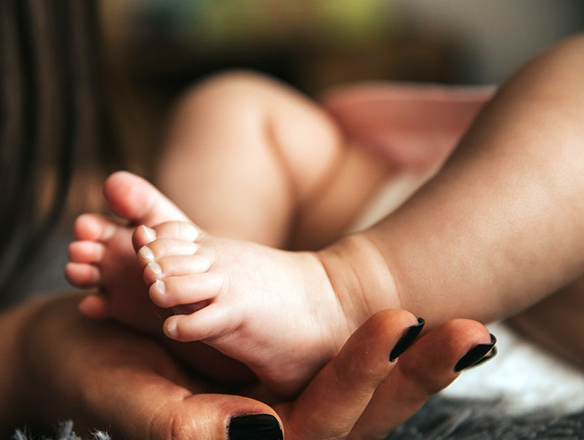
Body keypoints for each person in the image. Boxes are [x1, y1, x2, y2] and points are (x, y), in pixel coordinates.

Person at [0, 0, 490, 440]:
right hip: (377, 201)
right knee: (227, 105)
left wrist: (17, 353)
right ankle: (222, 311)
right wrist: (18, 356)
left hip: (484, 248)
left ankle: (295, 297)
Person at [66, 33, 584, 399]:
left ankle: (342, 294)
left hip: (548, 311)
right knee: (233, 104)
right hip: (404, 205)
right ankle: (215, 296)